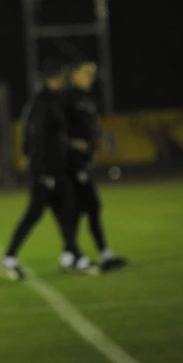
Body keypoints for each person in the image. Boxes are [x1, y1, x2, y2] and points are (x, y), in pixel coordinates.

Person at [0, 58, 98, 281]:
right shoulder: (43, 103)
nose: (64, 81)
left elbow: (50, 137)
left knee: (66, 214)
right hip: (46, 172)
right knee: (35, 214)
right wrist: (42, 172)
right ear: (55, 78)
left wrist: (72, 145)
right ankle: (8, 260)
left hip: (55, 170)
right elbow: (37, 139)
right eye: (61, 77)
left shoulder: (51, 101)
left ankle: (74, 258)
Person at [65, 59, 127, 272]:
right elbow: (57, 130)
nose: (90, 77)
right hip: (72, 162)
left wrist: (95, 140)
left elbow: (91, 126)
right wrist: (73, 143)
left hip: (85, 160)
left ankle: (70, 256)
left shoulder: (88, 99)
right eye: (86, 73)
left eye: (92, 73)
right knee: (89, 206)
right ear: (74, 74)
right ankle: (95, 255)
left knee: (83, 209)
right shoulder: (67, 98)